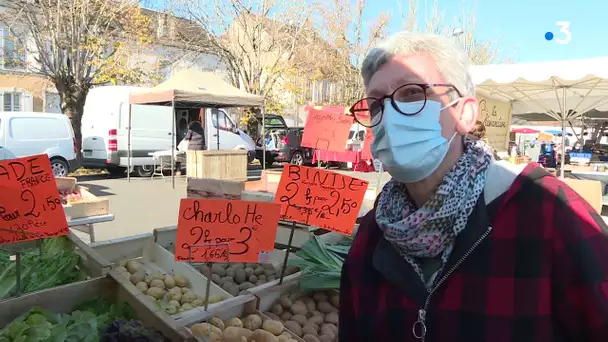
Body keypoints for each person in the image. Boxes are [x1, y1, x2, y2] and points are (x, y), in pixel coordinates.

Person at [342, 32, 608, 342]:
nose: (388, 116)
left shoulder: (549, 212)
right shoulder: (372, 236)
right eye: (375, 105)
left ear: (464, 114)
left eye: (412, 93)